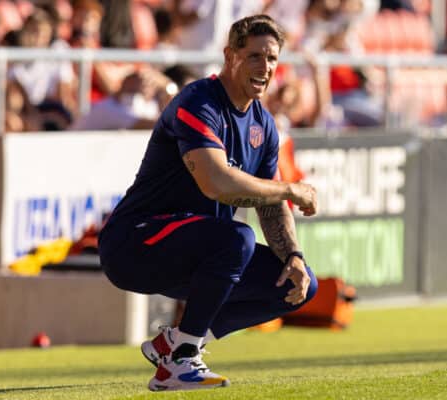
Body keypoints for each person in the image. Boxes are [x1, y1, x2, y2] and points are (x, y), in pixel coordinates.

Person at [98, 14, 319, 392]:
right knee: (238, 238)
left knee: (299, 284)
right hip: (135, 242)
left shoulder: (262, 125)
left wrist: (294, 256)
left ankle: (179, 343)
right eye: (254, 57)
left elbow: (269, 206)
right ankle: (181, 363)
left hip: (198, 253)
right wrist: (287, 189)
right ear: (229, 55)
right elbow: (217, 183)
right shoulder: (198, 101)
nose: (265, 68)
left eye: (272, 60)